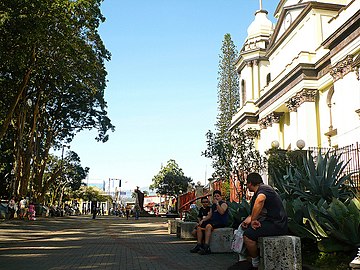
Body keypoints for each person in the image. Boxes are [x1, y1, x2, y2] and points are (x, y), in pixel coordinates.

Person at [240, 172, 288, 270]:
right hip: (270, 222)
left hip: (277, 225)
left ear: (250, 183)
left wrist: (253, 220)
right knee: (245, 229)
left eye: (247, 184)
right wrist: (247, 221)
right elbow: (258, 211)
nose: (247, 186)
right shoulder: (259, 192)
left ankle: (255, 263)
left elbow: (260, 200)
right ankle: (248, 258)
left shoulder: (264, 189)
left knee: (248, 236)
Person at [190, 190, 229, 255]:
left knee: (208, 226)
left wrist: (217, 204)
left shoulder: (223, 204)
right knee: (199, 227)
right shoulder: (213, 206)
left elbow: (222, 212)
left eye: (218, 196)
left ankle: (206, 246)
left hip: (220, 222)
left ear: (221, 197)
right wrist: (203, 220)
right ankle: (199, 245)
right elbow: (210, 215)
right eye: (215, 196)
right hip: (213, 221)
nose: (216, 197)